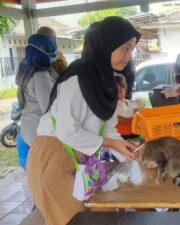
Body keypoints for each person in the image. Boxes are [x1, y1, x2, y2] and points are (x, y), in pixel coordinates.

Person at [26, 16, 141, 225]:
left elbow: (108, 128)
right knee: (72, 219)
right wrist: (112, 144)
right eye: (125, 48)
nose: (129, 56)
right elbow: (67, 132)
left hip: (79, 157)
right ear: (107, 44)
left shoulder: (107, 80)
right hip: (54, 156)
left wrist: (128, 153)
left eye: (132, 49)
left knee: (94, 215)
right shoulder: (79, 78)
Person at [15, 34, 58, 170]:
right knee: (49, 169)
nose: (53, 55)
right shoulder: (40, 76)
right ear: (43, 52)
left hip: (28, 126)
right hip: (39, 130)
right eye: (51, 51)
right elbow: (50, 107)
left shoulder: (27, 70)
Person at [115, 74, 146, 139]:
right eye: (115, 92)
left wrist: (138, 113)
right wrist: (132, 119)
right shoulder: (112, 105)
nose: (117, 94)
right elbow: (116, 119)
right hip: (119, 136)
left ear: (125, 90)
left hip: (134, 134)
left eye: (120, 91)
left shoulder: (130, 103)